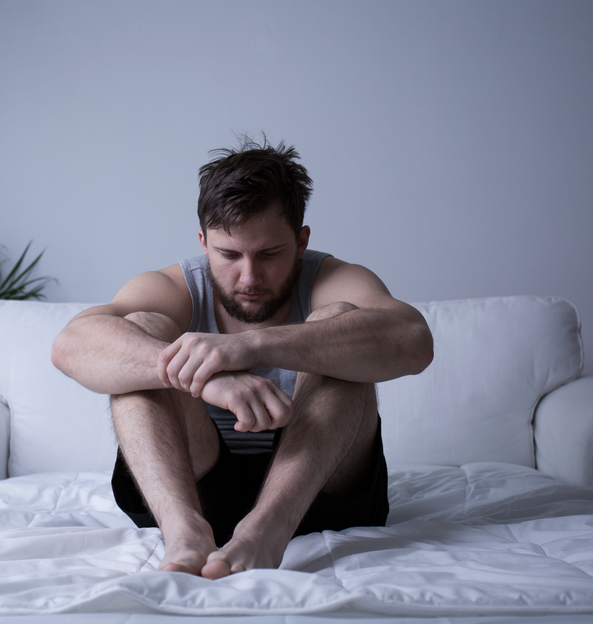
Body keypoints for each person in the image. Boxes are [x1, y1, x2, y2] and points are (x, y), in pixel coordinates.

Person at [51, 137, 433, 579]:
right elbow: (71, 345)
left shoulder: (333, 278)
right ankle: (184, 533)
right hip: (195, 487)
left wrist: (251, 345)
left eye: (270, 254)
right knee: (143, 333)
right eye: (228, 255)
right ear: (203, 241)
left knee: (340, 323)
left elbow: (413, 339)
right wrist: (208, 378)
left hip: (316, 490)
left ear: (301, 240)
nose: (249, 277)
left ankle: (267, 529)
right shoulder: (176, 287)